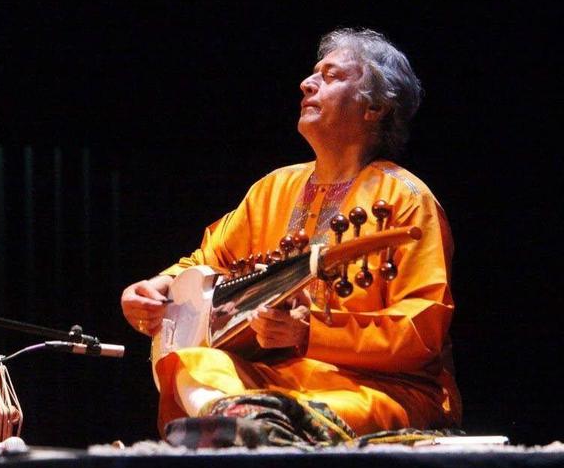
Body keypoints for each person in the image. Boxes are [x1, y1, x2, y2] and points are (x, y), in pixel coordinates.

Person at [120, 28, 459, 440]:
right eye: (314, 73)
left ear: (375, 109)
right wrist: (159, 288)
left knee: (296, 410)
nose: (307, 83)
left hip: (379, 389)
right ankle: (244, 423)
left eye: (332, 76)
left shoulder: (406, 198)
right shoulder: (275, 189)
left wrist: (309, 334)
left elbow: (420, 331)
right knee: (191, 363)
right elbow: (207, 260)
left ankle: (242, 426)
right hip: (282, 380)